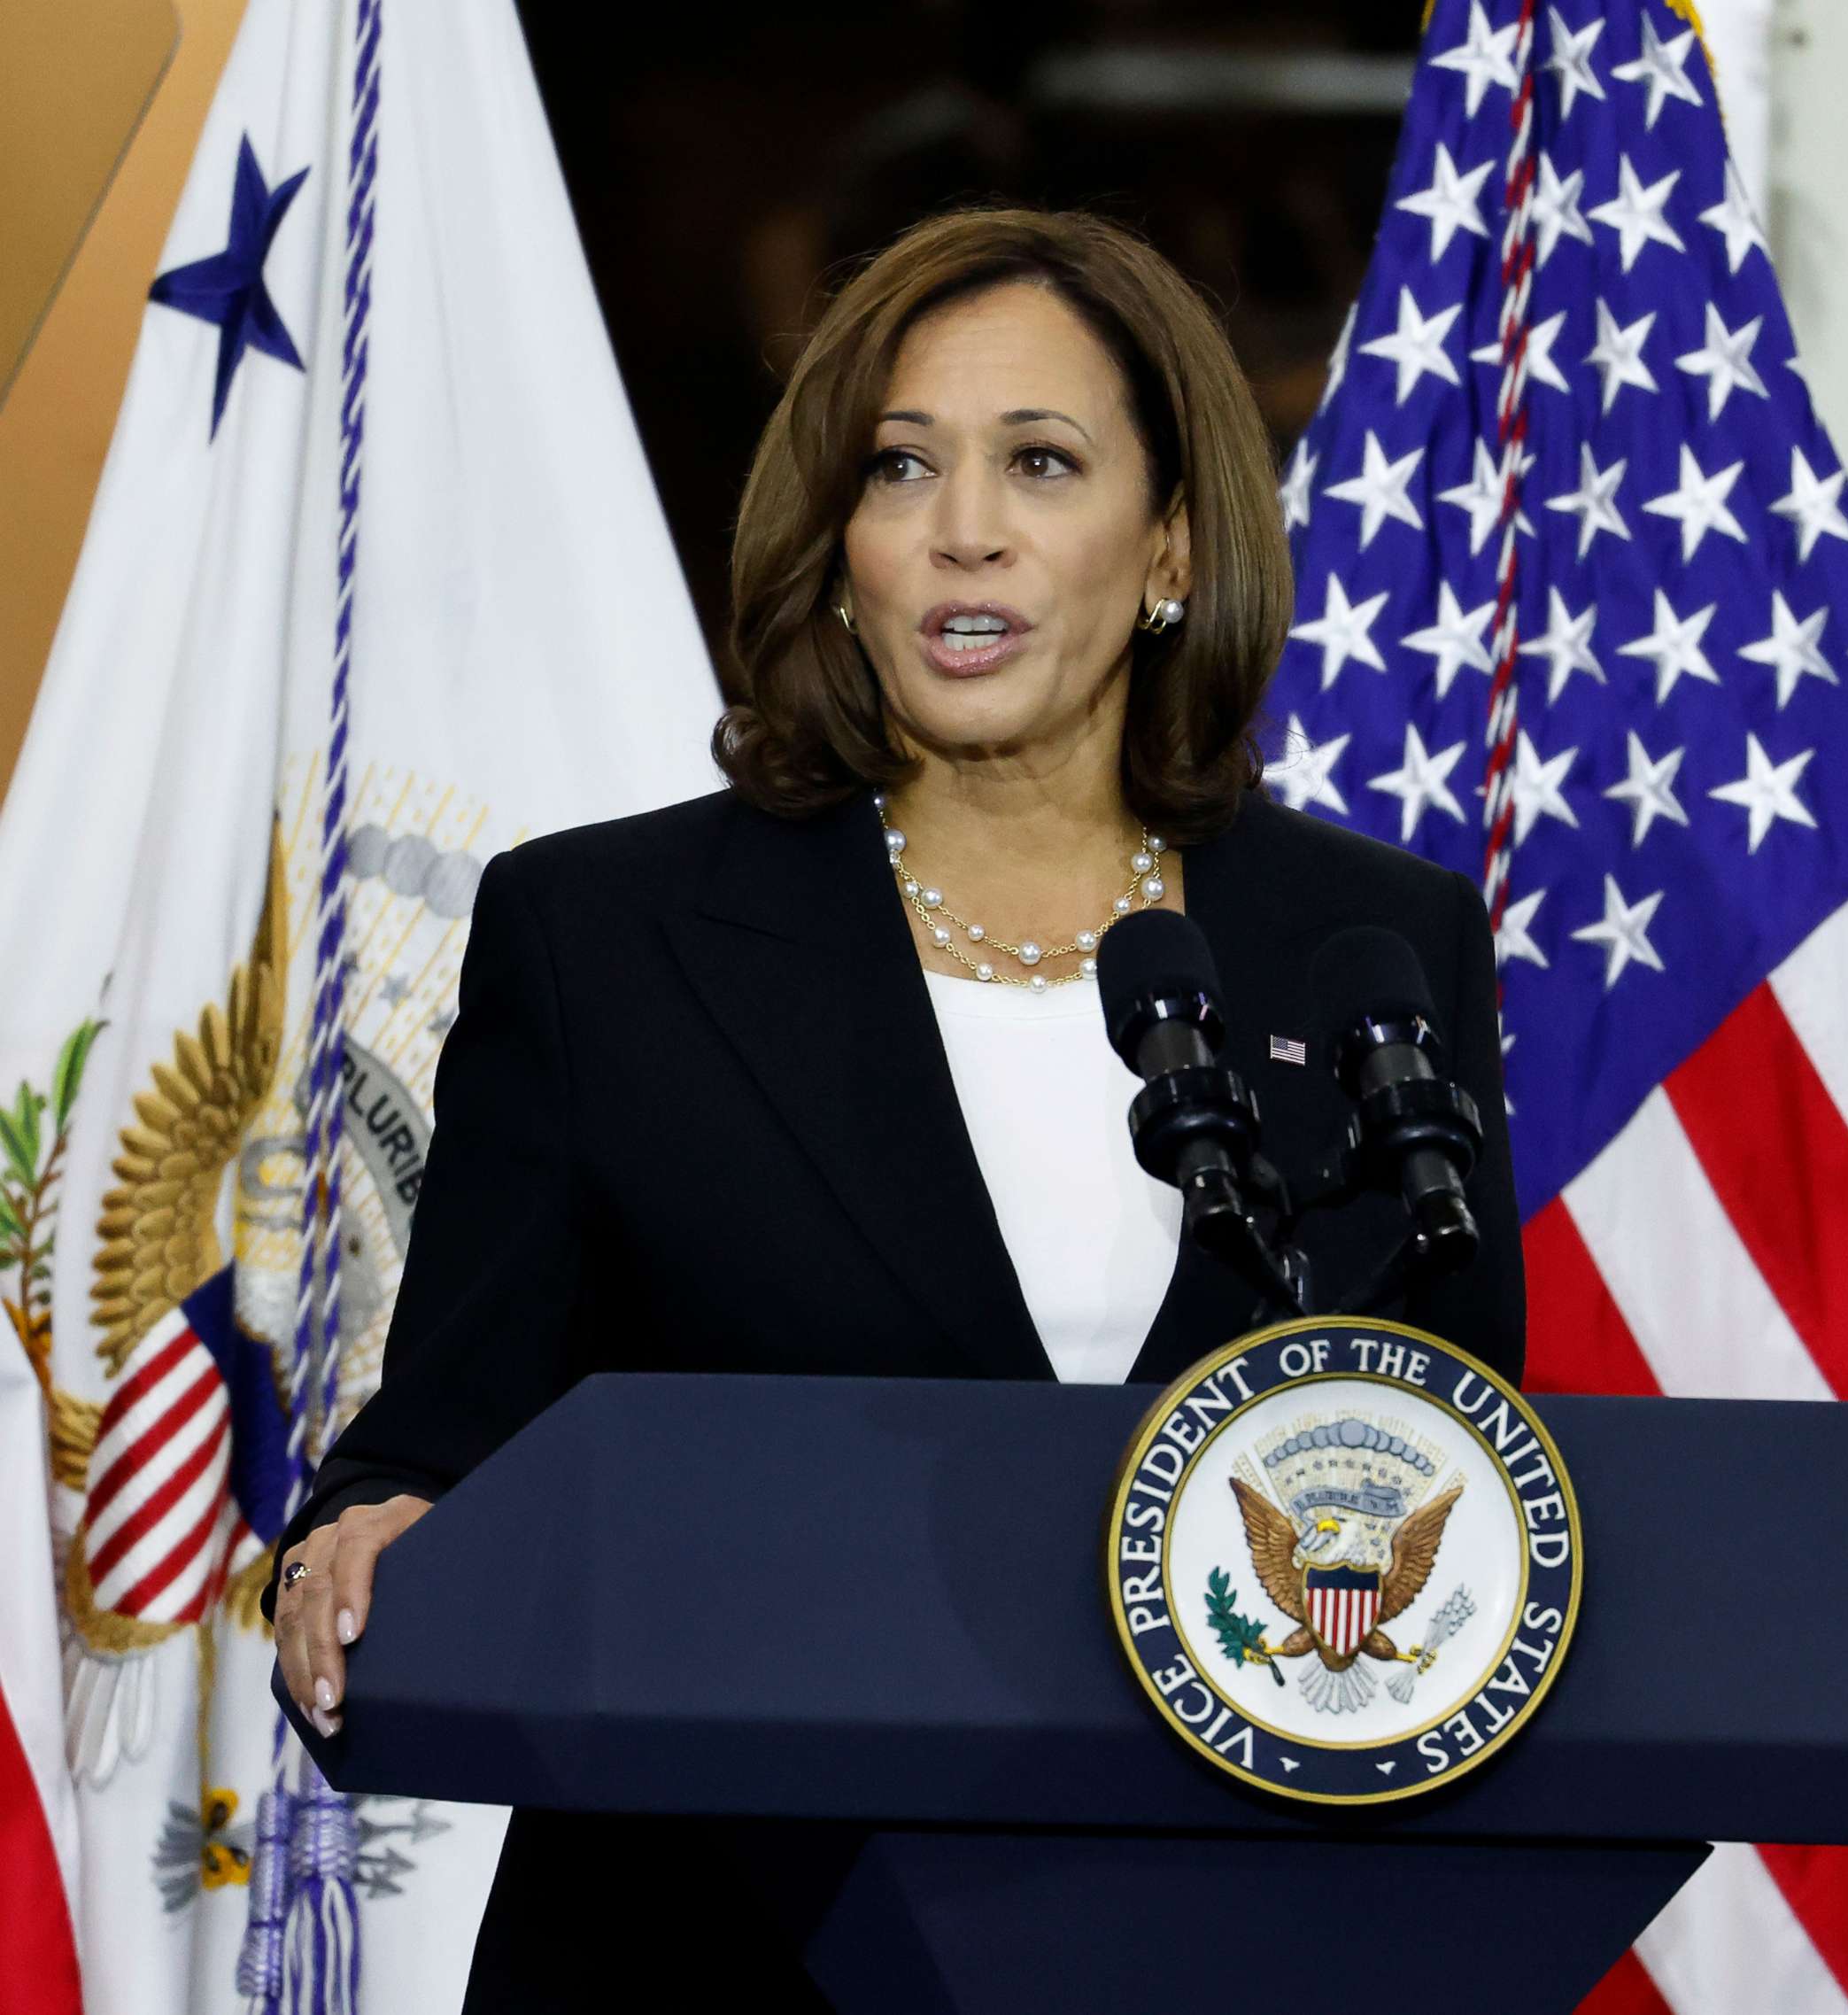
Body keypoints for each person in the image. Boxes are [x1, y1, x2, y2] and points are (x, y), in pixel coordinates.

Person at [263, 203, 1524, 2009]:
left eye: (1041, 462)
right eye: (901, 466)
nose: (964, 529)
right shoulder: (608, 939)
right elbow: (445, 1441)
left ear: (1170, 541)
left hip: (1228, 1935)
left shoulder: (1369, 947)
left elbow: (1464, 1466)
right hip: (715, 1938)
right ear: (839, 542)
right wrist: (375, 1531)